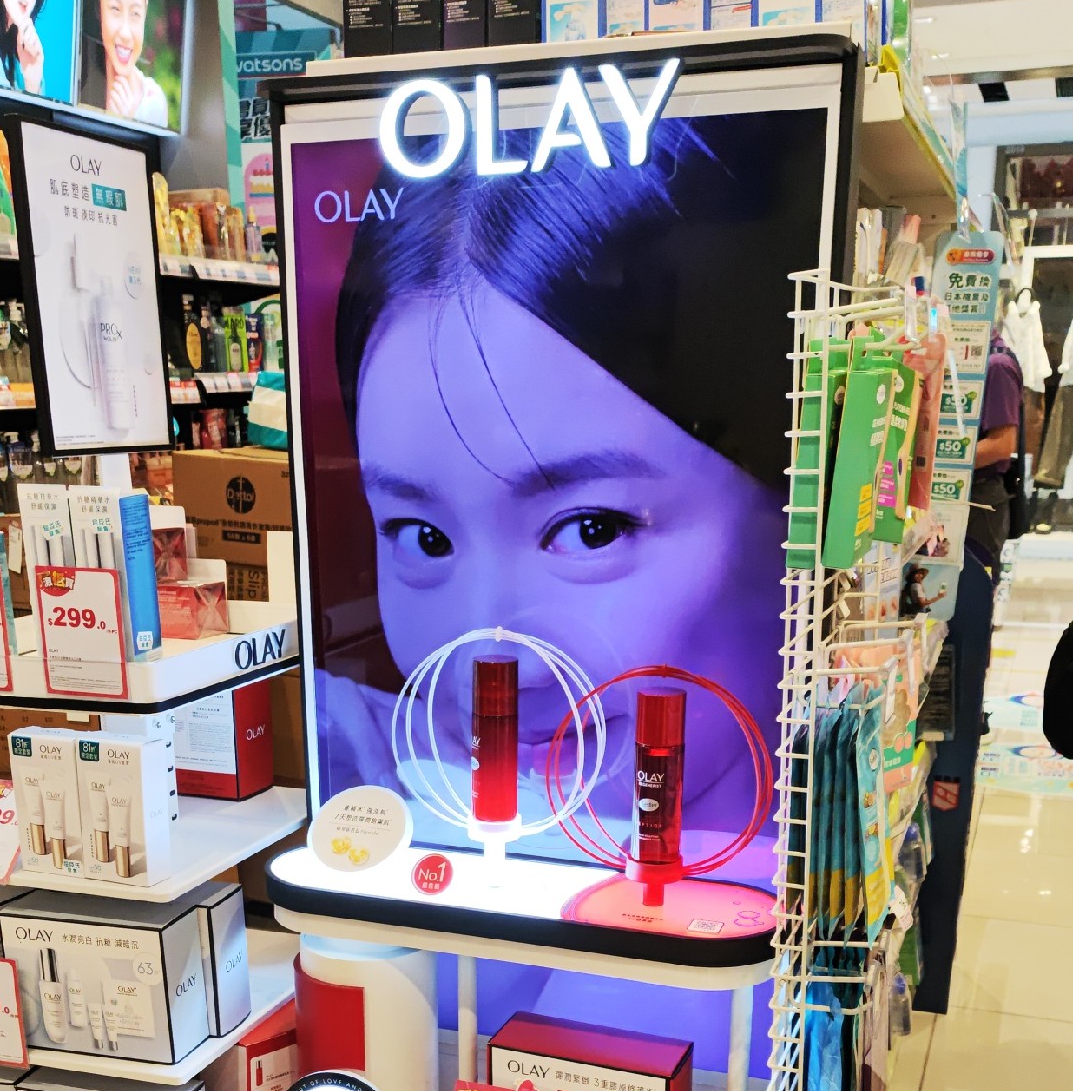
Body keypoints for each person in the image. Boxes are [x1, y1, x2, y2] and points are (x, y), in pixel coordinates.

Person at [316, 114, 822, 872]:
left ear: (794, 512)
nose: (490, 662)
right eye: (425, 538)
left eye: (592, 529)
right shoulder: (384, 798)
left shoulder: (807, 871)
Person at [913, 329, 1024, 1012]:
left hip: (970, 530)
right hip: (936, 532)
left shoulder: (997, 365)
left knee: (948, 712)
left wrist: (937, 457)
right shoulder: (941, 357)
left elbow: (1004, 444)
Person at [80, 0, 168, 128]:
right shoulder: (77, 85)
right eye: (115, 9)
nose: (126, 33)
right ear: (98, 8)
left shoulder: (154, 103)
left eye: (135, 13)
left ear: (145, 10)